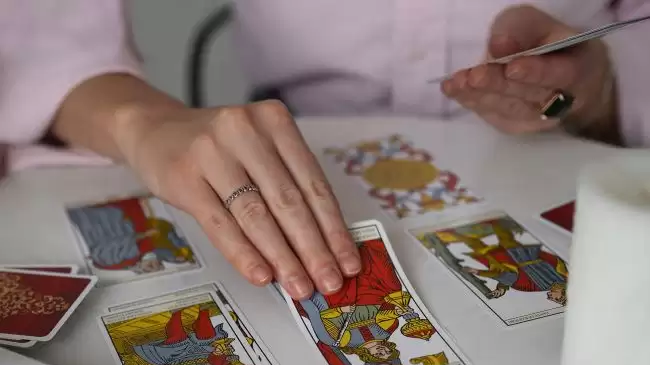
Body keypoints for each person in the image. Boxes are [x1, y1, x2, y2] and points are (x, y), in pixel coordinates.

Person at [1, 1, 648, 300]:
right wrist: (136, 120)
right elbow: (35, 27)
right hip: (292, 144)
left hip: (591, 163)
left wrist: (605, 85)